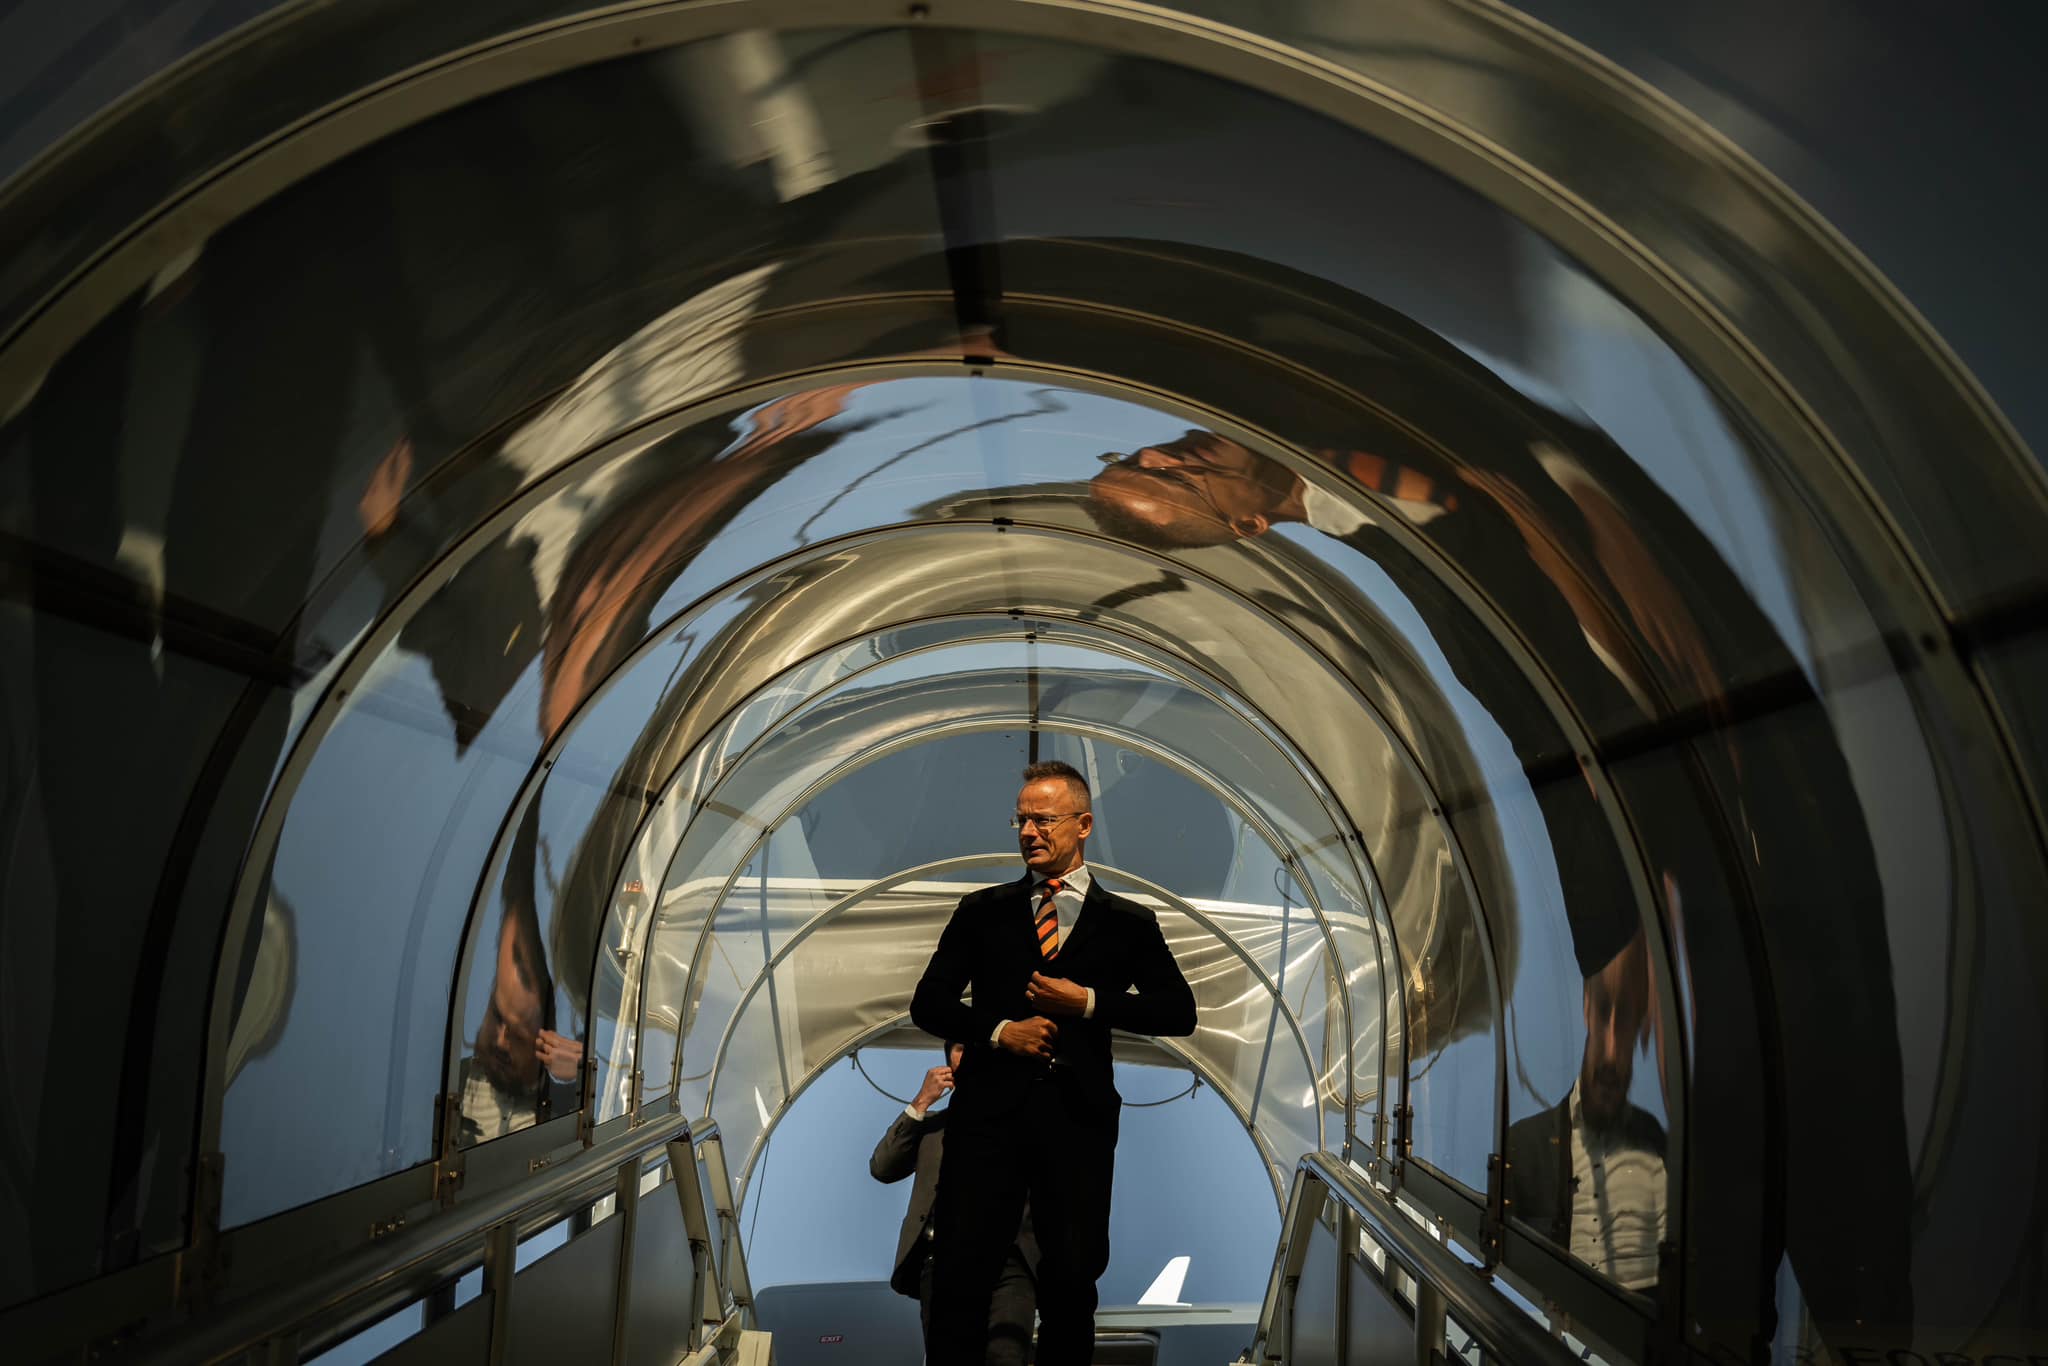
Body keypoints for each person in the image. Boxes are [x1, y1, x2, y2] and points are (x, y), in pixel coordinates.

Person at [910, 760, 1197, 1366]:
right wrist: (1000, 1032)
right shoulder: (980, 910)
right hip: (986, 1121)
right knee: (961, 1273)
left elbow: (1179, 1011)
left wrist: (1088, 1002)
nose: (1027, 832)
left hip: (1077, 1122)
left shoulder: (1129, 922)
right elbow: (928, 1003)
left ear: (1083, 825)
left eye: (1043, 819)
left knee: (1072, 1280)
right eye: (1021, 820)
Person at [1505, 930, 1668, 1292]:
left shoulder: (1659, 1150)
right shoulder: (1523, 1147)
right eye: (1605, 1010)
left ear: (1642, 1025)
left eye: (1626, 1018)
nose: (1610, 1050)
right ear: (1586, 1008)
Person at [870, 1041, 1039, 1365]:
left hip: (1010, 1262)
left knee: (1006, 1356)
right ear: (948, 1061)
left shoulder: (1028, 1119)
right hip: (942, 1259)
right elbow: (882, 1166)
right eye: (960, 1047)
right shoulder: (932, 1127)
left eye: (978, 1046)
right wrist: (921, 1101)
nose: (970, 1054)